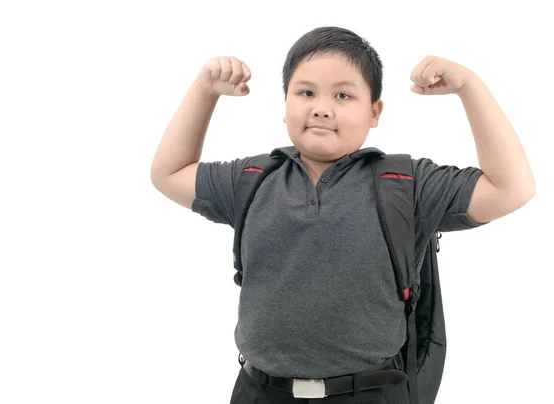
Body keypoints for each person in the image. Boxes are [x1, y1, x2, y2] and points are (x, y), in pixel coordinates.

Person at [150, 26, 535, 403]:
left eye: (343, 95)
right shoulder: (251, 178)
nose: (321, 107)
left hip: (372, 392)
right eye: (305, 92)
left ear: (374, 112)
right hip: (259, 391)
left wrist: (469, 86)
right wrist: (204, 91)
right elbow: (169, 173)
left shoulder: (406, 183)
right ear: (285, 106)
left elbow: (510, 188)